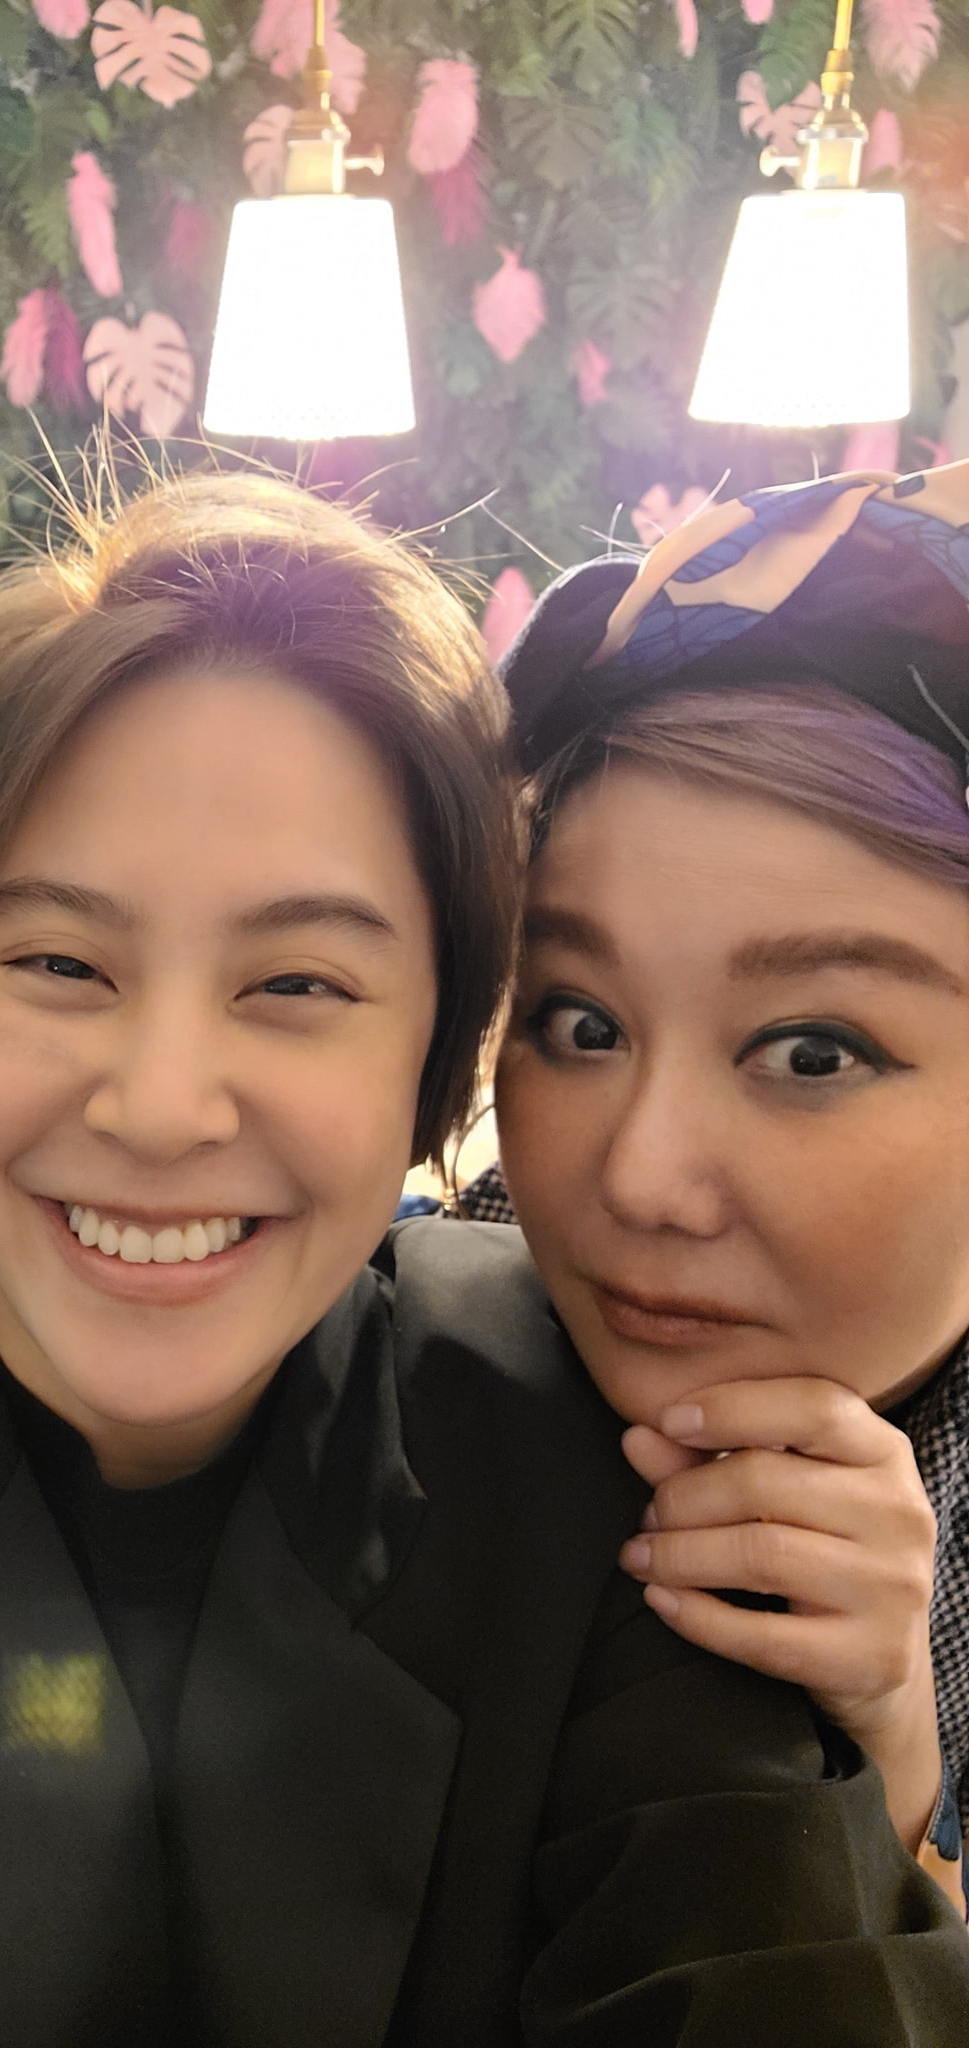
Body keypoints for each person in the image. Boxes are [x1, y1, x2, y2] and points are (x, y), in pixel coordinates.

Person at [0, 472, 968, 2048]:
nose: (160, 1107)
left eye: (299, 981)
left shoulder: (609, 1441)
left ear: (438, 1055)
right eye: (58, 960)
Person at [476, 459, 969, 1909]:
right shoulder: (398, 1370)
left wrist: (892, 1779)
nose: (642, 1179)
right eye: (581, 1024)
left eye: (813, 1052)